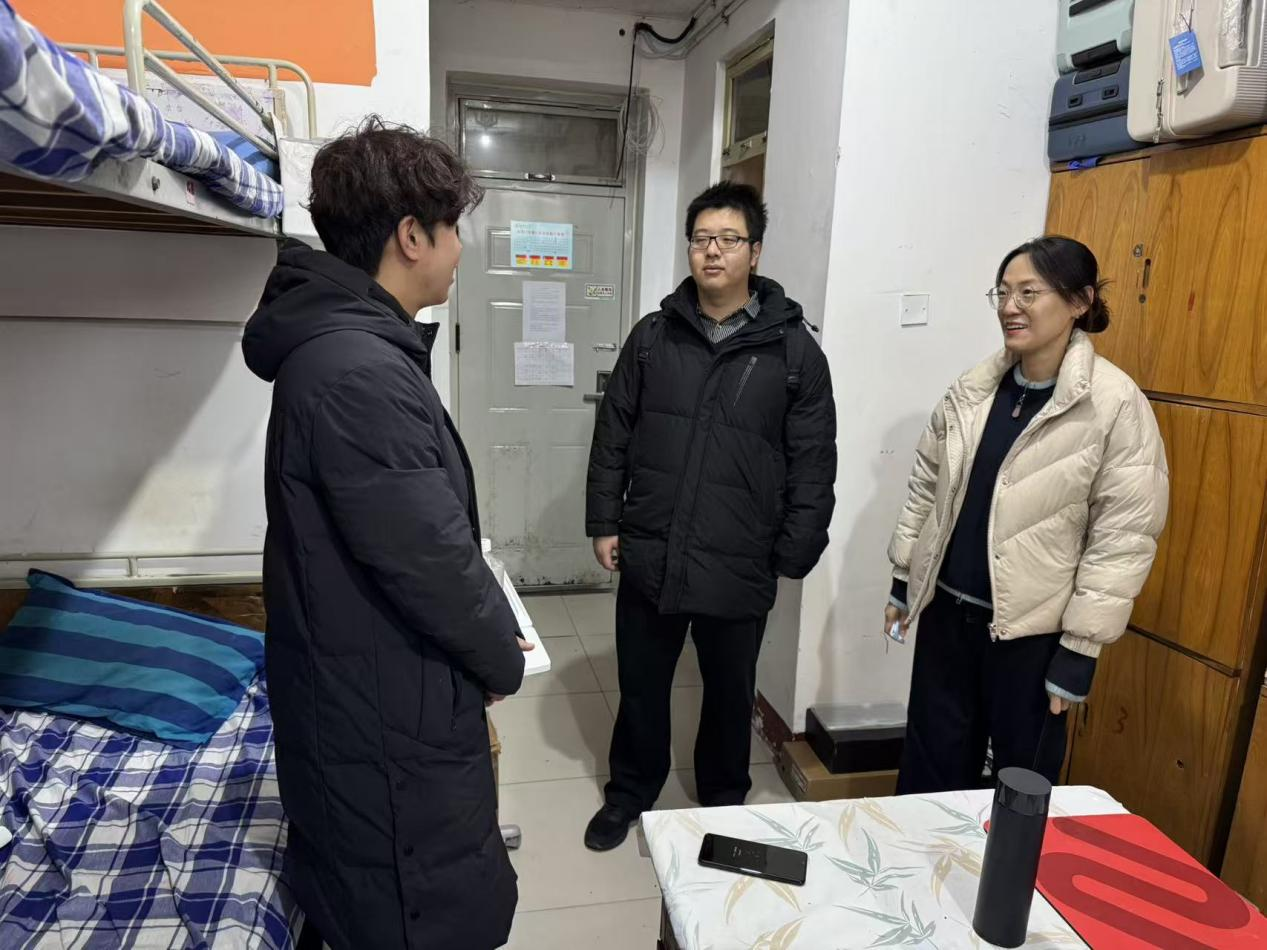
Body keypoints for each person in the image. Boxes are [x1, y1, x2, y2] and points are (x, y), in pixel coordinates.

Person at [242, 117, 531, 950]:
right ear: (411, 236)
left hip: (372, 685)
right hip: (384, 716)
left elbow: (408, 529)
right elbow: (428, 561)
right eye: (453, 229)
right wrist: (499, 655)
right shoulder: (357, 371)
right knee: (419, 908)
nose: (460, 249)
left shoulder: (352, 349)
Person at [583, 182, 837, 851]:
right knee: (641, 686)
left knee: (729, 693)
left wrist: (794, 549)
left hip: (740, 556)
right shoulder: (652, 337)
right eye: (701, 239)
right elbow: (613, 434)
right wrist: (604, 521)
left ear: (755, 251)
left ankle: (724, 799)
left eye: (728, 239)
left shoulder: (794, 353)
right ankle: (629, 791)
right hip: (653, 547)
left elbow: (813, 461)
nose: (713, 251)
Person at [885, 235, 1169, 793]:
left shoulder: (1114, 404)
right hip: (947, 619)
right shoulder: (973, 391)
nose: (1010, 307)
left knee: (1019, 789)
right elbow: (926, 486)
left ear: (1080, 301)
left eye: (1029, 293)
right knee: (928, 774)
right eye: (1003, 293)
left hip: (1032, 640)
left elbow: (1124, 536)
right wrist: (903, 578)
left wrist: (1080, 649)